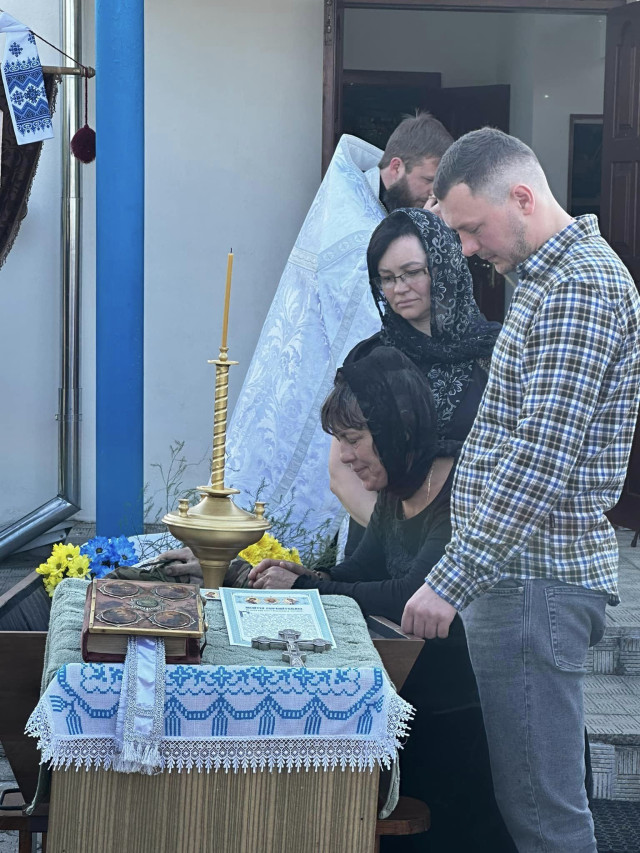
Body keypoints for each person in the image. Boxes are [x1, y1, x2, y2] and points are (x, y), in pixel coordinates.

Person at [401, 128, 640, 852]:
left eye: (473, 228)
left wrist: (452, 579)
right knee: (534, 805)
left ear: (523, 197)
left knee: (544, 818)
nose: (467, 249)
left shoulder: (579, 287)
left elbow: (541, 457)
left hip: (536, 581)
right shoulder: (544, 278)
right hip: (523, 577)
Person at [248, 346, 515, 852]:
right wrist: (307, 574)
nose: (345, 456)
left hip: (460, 715)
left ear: (396, 427)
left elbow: (408, 593)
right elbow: (360, 572)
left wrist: (305, 588)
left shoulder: (461, 486)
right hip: (408, 700)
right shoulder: (398, 486)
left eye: (353, 439)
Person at [224, 114, 453, 542]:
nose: (432, 195)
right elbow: (379, 323)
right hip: (316, 378)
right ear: (396, 167)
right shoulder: (355, 224)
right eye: (428, 180)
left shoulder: (367, 204)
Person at [329, 208, 500, 541]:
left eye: (411, 273)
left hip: (475, 548)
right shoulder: (369, 359)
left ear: (445, 267)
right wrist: (398, 544)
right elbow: (341, 473)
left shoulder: (497, 352)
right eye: (387, 278)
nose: (399, 288)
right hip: (380, 545)